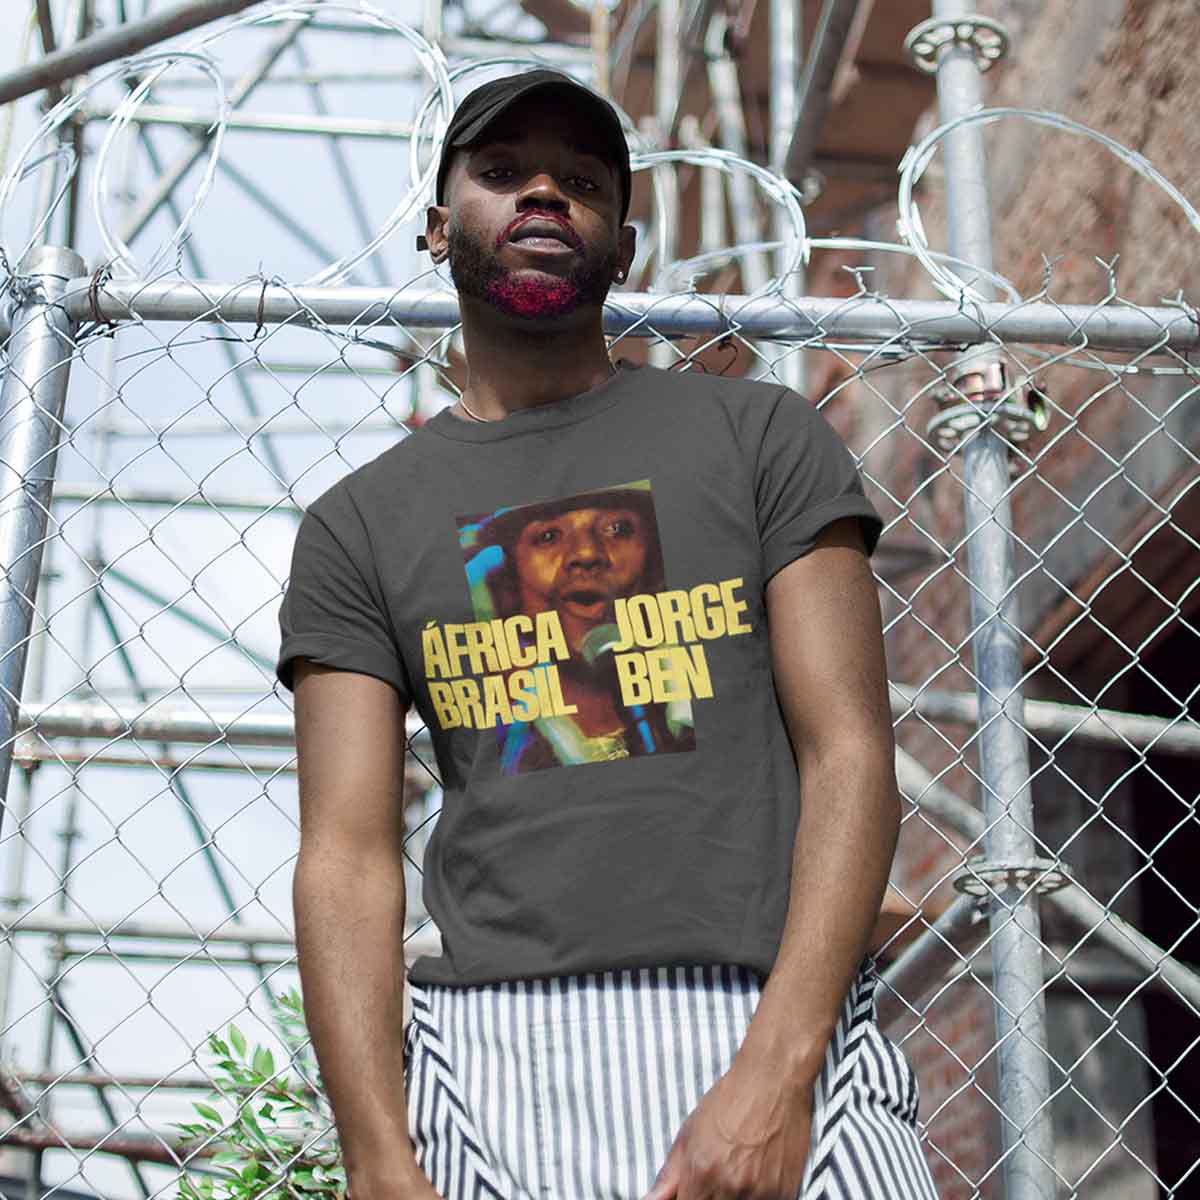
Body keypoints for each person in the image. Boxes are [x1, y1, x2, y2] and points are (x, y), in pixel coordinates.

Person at [277, 67, 939, 1200]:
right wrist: (378, 1156)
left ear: (622, 247)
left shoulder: (757, 437)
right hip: (492, 1059)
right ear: (439, 230)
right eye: (499, 174)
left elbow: (852, 755)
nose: (542, 195)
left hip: (773, 1022)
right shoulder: (358, 524)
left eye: (578, 181)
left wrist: (776, 1077)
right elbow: (344, 856)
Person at [458, 480, 695, 771]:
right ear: (509, 573)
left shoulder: (697, 698)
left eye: (617, 529)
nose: (586, 553)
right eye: (548, 536)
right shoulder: (499, 733)